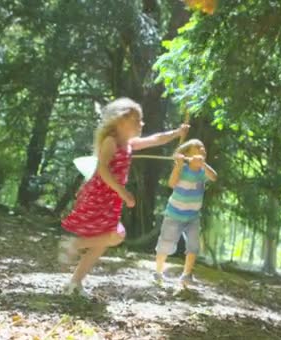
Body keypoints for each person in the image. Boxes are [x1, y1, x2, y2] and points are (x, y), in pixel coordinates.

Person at [58, 97, 189, 296]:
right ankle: (75, 245)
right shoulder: (111, 142)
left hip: (110, 199)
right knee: (114, 236)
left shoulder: (129, 144)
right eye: (136, 120)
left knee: (104, 240)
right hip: (99, 196)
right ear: (120, 121)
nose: (141, 124)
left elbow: (155, 139)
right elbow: (102, 169)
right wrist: (123, 192)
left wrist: (176, 133)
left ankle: (74, 283)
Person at [154, 139, 217, 288]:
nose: (202, 150)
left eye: (203, 148)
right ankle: (158, 271)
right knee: (166, 243)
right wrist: (178, 166)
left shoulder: (203, 172)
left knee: (193, 245)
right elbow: (172, 183)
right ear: (187, 154)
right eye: (198, 148)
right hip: (174, 214)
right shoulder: (182, 169)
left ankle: (187, 275)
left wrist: (203, 164)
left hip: (193, 216)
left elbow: (214, 177)